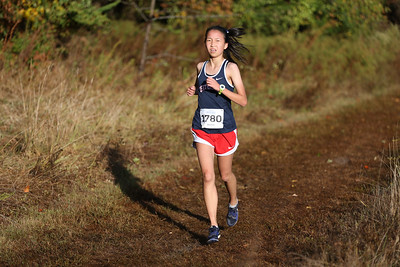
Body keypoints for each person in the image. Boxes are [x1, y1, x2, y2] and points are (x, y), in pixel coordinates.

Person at [186, 25, 248, 244]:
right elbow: (200, 86)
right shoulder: (200, 66)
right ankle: (213, 226)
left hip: (225, 130)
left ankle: (233, 201)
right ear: (205, 43)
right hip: (202, 128)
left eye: (217, 41)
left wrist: (221, 88)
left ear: (225, 45)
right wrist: (194, 89)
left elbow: (243, 100)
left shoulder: (230, 68)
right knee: (207, 175)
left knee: (224, 175)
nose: (213, 45)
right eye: (209, 41)